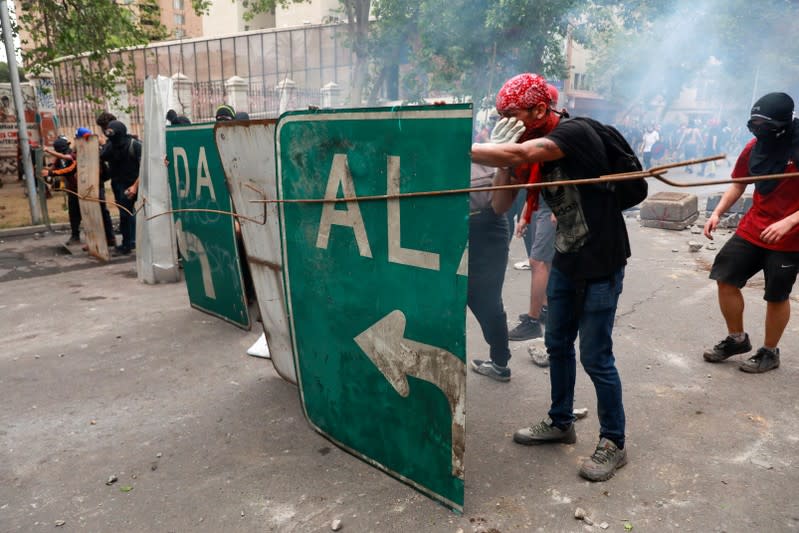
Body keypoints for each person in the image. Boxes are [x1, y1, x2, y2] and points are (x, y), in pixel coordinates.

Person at [471, 73, 630, 482]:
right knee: (558, 345)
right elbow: (500, 205)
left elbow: (514, 156)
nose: (512, 122)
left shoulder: (574, 132)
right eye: (504, 117)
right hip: (567, 259)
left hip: (601, 261)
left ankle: (613, 440)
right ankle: (561, 422)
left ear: (540, 110)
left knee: (595, 356)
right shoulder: (527, 152)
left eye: (515, 115)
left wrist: (495, 151)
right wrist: (503, 161)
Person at [702, 92, 799, 374]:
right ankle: (737, 339)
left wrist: (789, 222)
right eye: (754, 123)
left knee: (776, 295)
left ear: (783, 123)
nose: (758, 129)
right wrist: (717, 212)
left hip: (789, 237)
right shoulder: (754, 147)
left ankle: (769, 352)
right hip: (754, 226)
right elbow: (738, 183)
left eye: (764, 123)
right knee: (725, 277)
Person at [467, 160, 514, 381]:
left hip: (486, 228)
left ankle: (499, 362)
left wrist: (503, 167)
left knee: (486, 300)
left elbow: (499, 206)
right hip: (444, 227)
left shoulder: (486, 156)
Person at [100, 120, 141, 256]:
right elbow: (103, 156)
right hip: (118, 184)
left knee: (128, 214)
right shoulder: (111, 146)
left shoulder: (134, 145)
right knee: (125, 214)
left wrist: (135, 186)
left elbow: (145, 168)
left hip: (134, 183)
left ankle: (130, 243)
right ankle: (128, 243)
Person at [43, 136, 80, 245]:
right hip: (72, 189)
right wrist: (47, 171)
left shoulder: (73, 155)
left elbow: (68, 170)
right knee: (73, 214)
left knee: (86, 213)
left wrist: (52, 173)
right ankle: (75, 236)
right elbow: (55, 168)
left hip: (82, 189)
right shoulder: (59, 158)